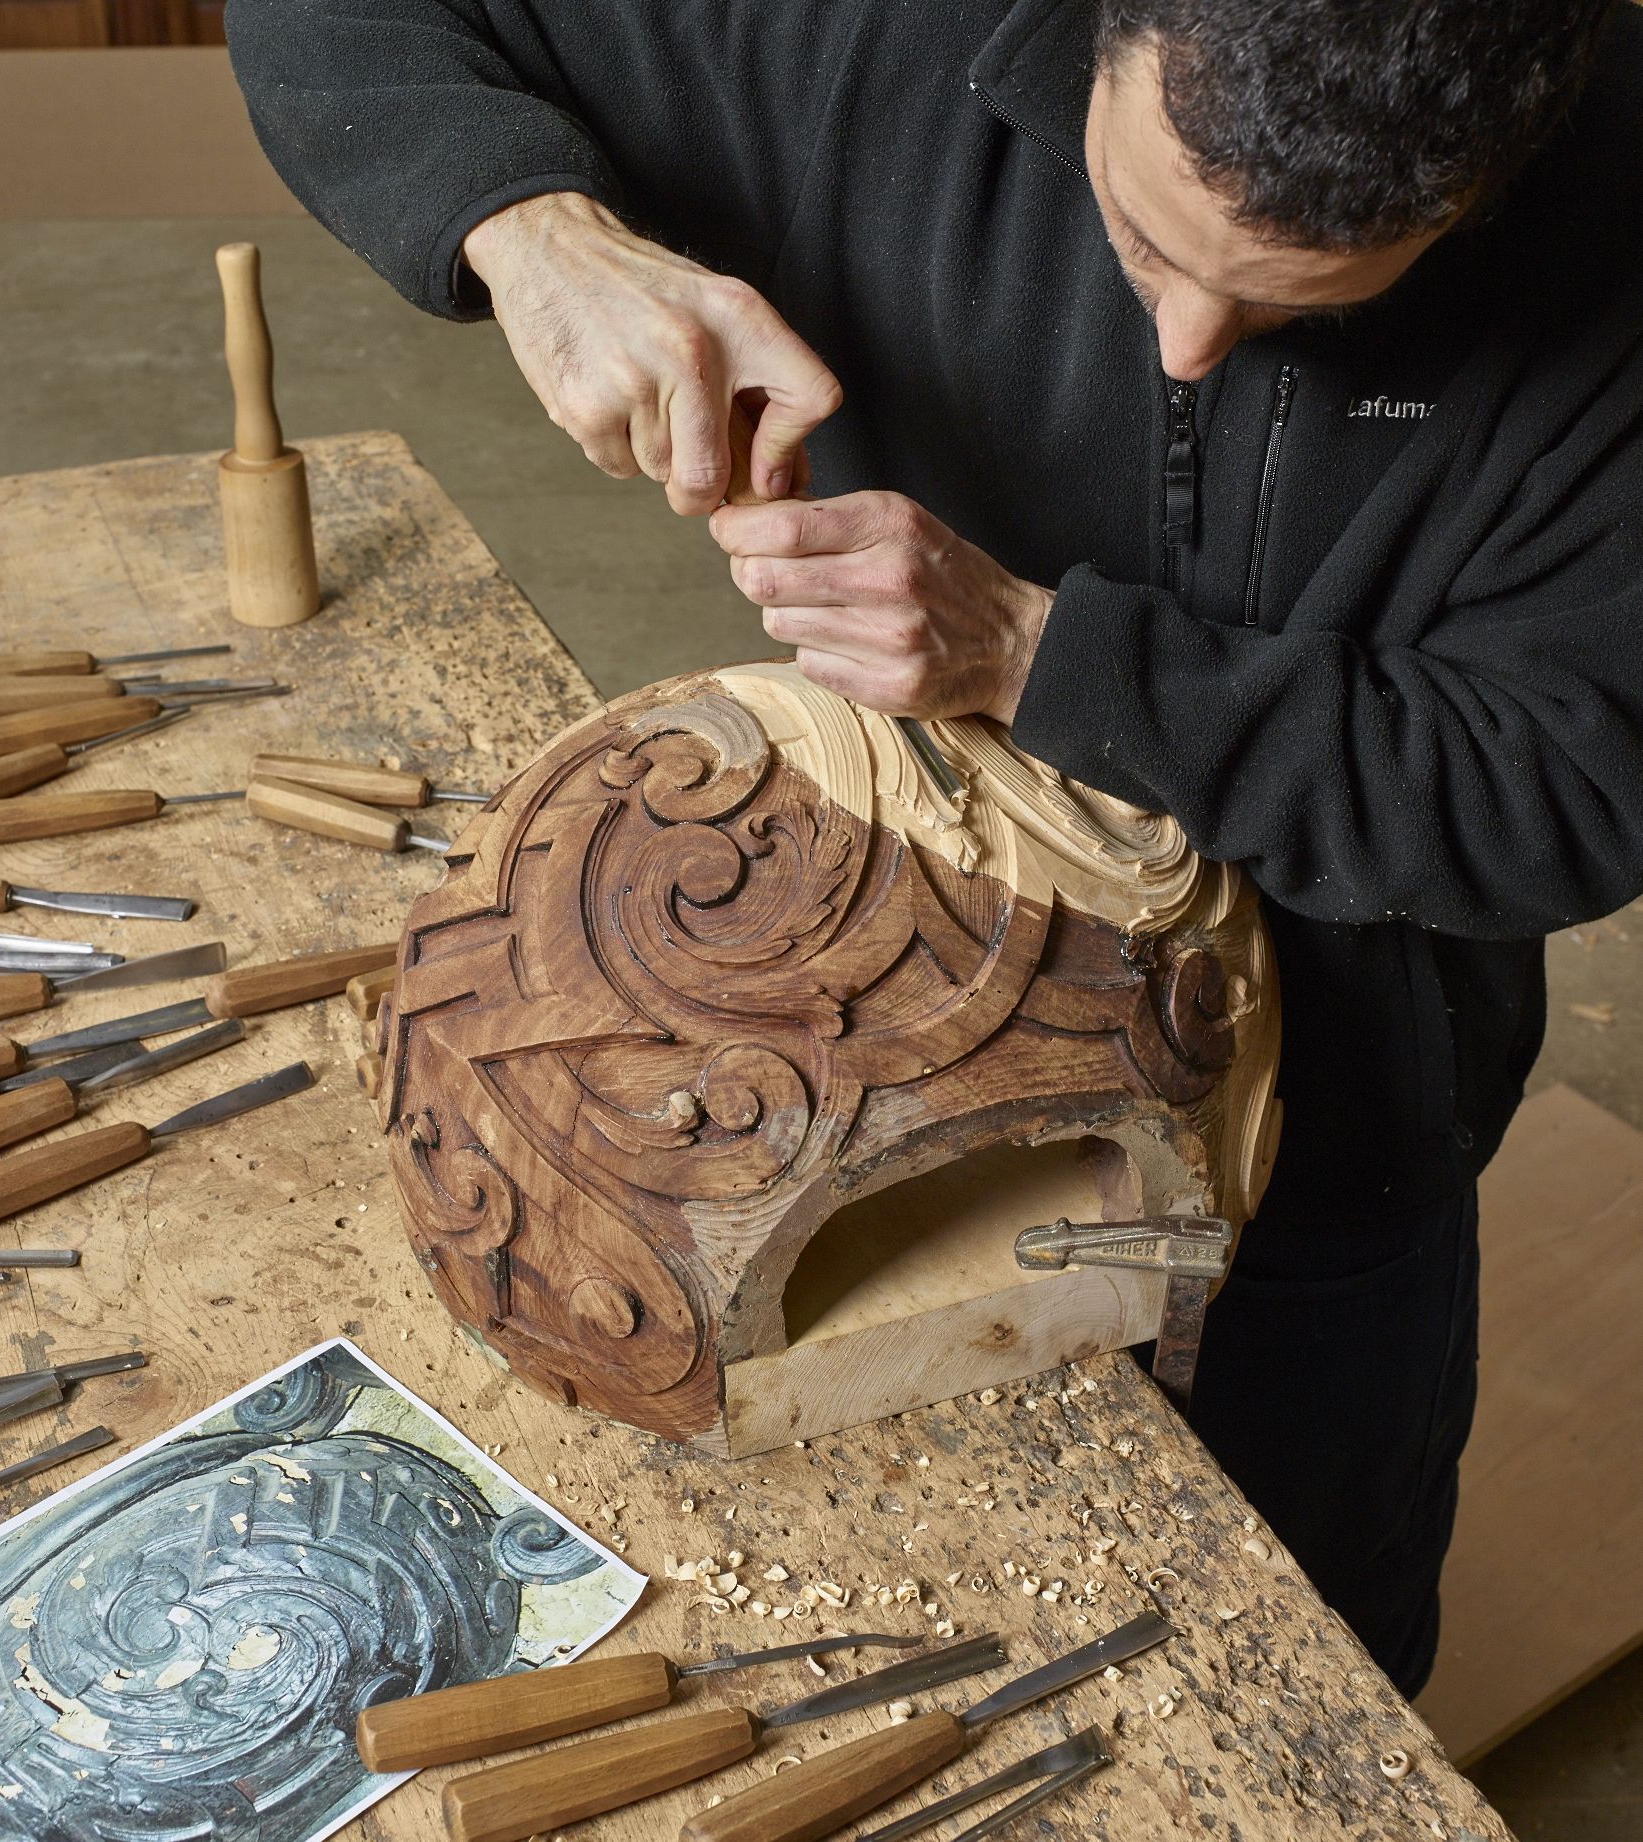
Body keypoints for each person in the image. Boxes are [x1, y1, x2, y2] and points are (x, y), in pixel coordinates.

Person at [225, 0, 1643, 1696]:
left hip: (1326, 1139)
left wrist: (1051, 661)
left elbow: (1566, 784)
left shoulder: (1617, 213)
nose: (1188, 341)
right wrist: (536, 235)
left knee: (1304, 1679)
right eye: (1139, 235)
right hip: (852, 1077)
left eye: (1299, 304)